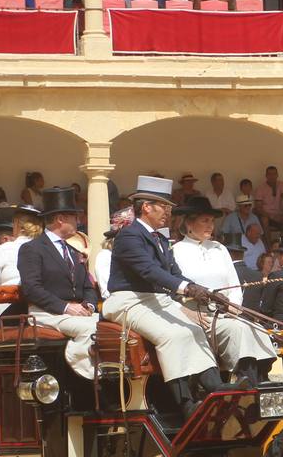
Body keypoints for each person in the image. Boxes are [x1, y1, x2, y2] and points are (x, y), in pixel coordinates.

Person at [101, 176, 229, 425]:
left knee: (194, 330)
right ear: (146, 207)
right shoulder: (129, 236)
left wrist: (205, 291)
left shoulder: (160, 238)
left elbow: (173, 273)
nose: (169, 212)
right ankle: (185, 404)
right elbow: (150, 271)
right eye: (164, 206)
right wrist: (187, 289)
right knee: (173, 334)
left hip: (156, 299)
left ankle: (218, 390)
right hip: (129, 301)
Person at [172, 198, 276, 386]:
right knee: (238, 330)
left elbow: (234, 285)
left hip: (226, 312)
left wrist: (233, 308)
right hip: (197, 316)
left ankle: (262, 379)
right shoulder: (176, 251)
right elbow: (172, 289)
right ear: (189, 223)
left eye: (212, 221)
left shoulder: (220, 249)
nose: (210, 226)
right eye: (205, 221)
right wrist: (188, 312)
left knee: (257, 329)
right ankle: (249, 382)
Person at [17, 188, 100, 380]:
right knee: (91, 328)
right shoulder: (32, 249)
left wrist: (88, 305)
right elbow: (31, 288)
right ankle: (85, 377)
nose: (78, 221)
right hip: (45, 313)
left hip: (76, 314)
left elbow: (88, 286)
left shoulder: (73, 250)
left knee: (112, 326)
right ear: (61, 219)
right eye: (74, 217)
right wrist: (65, 307)